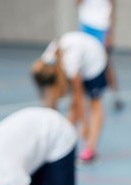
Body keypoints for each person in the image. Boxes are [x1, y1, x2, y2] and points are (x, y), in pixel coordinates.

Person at [31, 31, 107, 162]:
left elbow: (79, 96)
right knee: (73, 106)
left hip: (94, 59)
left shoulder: (70, 63)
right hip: (78, 56)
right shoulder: (45, 63)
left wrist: (84, 125)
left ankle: (90, 148)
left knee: (95, 103)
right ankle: (62, 140)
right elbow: (52, 97)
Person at [74, 0, 123, 110]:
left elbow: (112, 7)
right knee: (83, 63)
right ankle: (85, 95)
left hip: (102, 27)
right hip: (86, 26)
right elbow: (78, 2)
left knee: (106, 62)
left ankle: (115, 95)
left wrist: (110, 33)